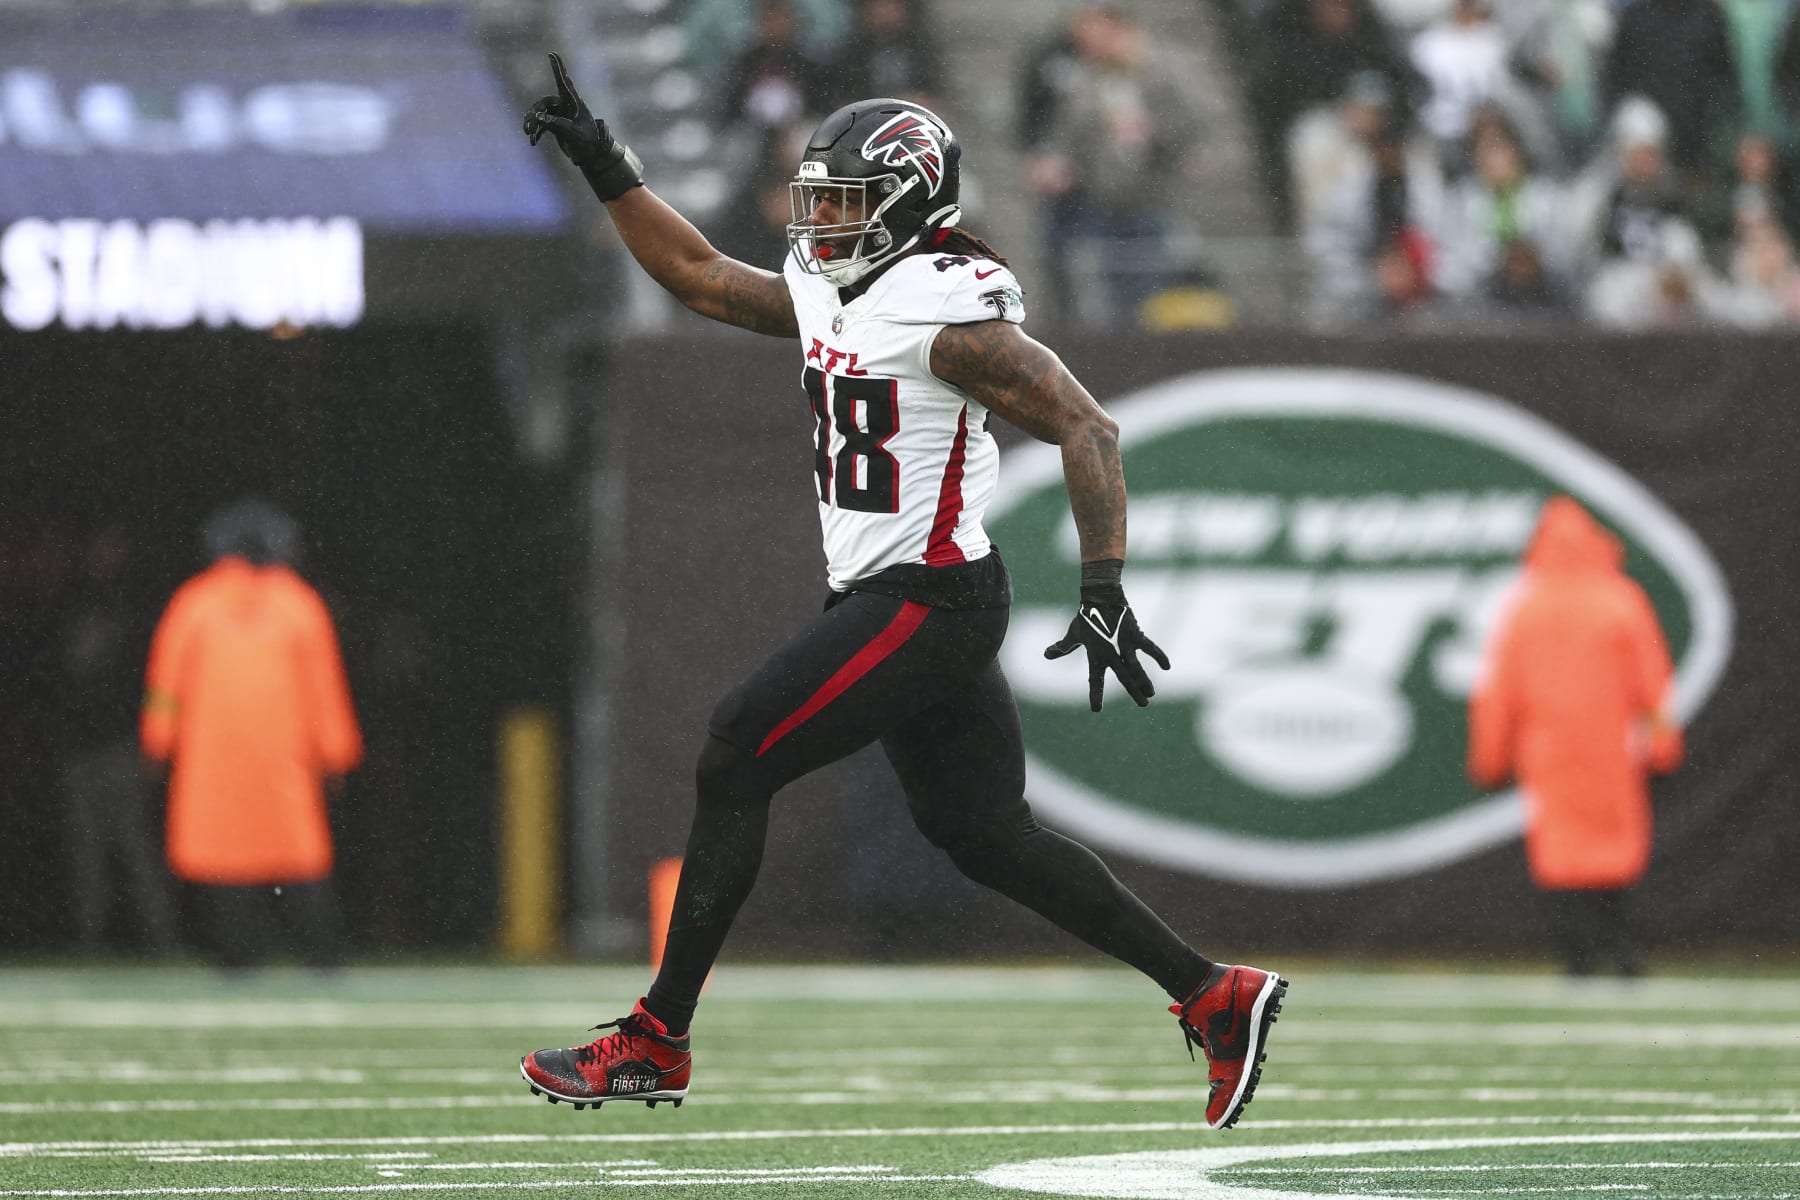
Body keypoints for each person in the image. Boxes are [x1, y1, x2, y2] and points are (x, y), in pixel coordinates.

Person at [520, 55, 1287, 1130]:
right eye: (818, 200)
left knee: (737, 749)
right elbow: (698, 277)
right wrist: (609, 168)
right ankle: (1214, 994)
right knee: (983, 834)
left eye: (845, 203)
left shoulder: (942, 305)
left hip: (928, 597)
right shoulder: (845, 284)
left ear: (909, 205)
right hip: (908, 596)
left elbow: (1087, 425)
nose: (822, 222)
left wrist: (1103, 584)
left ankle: (656, 1040)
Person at [140, 500, 362, 970]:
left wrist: (157, 742)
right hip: (284, 763)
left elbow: (165, 686)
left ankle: (236, 960)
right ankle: (324, 961)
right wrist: (337, 754)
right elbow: (325, 688)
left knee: (226, 864)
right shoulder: (301, 605)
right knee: (301, 862)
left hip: (214, 762)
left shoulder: (194, 602)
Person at [1467, 497, 1683, 979]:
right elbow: (1655, 686)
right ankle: (1625, 957)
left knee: (1563, 857)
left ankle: (1577, 961)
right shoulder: (1621, 599)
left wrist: (1490, 760)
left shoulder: (1526, 607)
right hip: (1612, 752)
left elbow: (1498, 695)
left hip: (1551, 755)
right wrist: (1665, 749)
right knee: (1614, 856)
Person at [58, 524, 179, 953]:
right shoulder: (70, 600)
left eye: (112, 545)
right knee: (86, 849)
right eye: (98, 545)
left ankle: (164, 940)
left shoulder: (134, 603)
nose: (105, 553)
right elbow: (53, 676)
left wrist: (151, 742)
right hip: (79, 746)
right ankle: (88, 941)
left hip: (121, 744)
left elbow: (152, 679)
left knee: (135, 845)